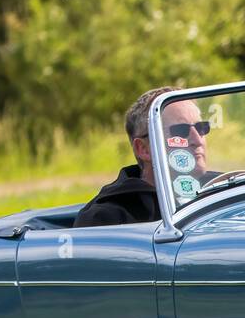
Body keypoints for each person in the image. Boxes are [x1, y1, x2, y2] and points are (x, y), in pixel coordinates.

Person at [74, 86, 217, 227]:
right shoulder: (107, 218)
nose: (198, 140)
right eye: (180, 130)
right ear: (144, 149)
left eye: (201, 128)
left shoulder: (220, 188)